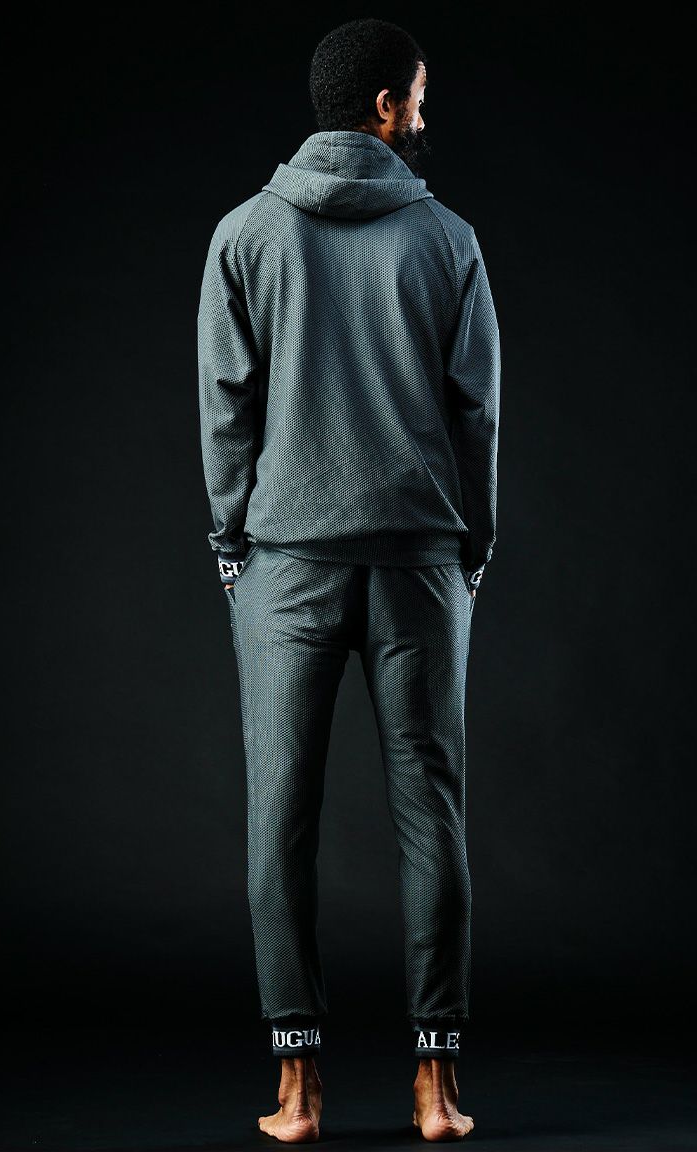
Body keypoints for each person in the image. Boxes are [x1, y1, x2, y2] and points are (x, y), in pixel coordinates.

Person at [197, 17, 500, 1143]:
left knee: (279, 816)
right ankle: (436, 1086)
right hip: (421, 561)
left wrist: (234, 545)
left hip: (288, 566)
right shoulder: (449, 239)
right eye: (418, 94)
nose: (425, 112)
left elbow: (225, 409)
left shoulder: (245, 233)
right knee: (433, 811)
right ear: (383, 106)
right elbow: (478, 413)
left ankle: (298, 1087)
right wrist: (472, 547)